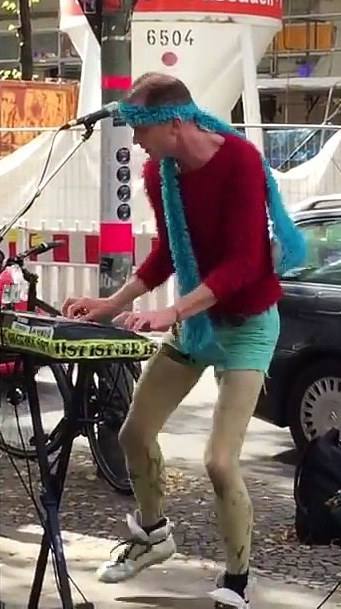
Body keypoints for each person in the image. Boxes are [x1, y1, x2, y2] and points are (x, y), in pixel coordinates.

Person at [61, 73, 305, 609]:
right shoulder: (161, 173)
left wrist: (172, 308)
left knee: (220, 461)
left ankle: (238, 577)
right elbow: (166, 255)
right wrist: (112, 304)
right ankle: (152, 535)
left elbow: (245, 264)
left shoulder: (239, 161)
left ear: (175, 123)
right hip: (195, 326)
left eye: (141, 129)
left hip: (247, 327)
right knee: (134, 433)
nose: (137, 142)